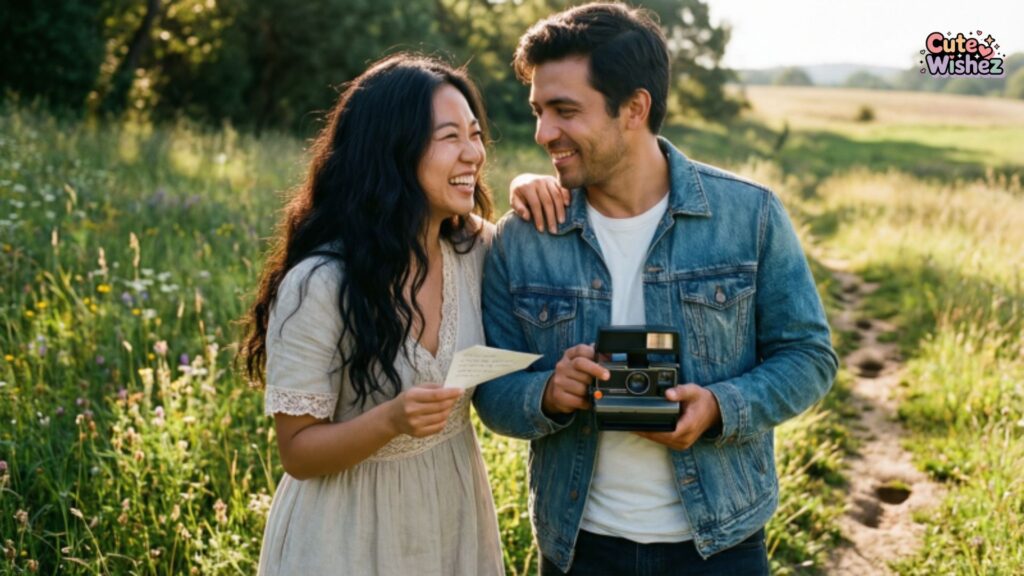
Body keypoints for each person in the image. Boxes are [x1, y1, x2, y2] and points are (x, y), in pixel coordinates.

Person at [474, 4, 839, 575]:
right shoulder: (520, 239)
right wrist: (547, 393)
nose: (544, 133)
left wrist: (720, 407)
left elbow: (810, 357)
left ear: (635, 108)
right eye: (539, 111)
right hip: (578, 547)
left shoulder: (750, 215)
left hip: (722, 543)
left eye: (565, 110)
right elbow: (493, 394)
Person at [240, 53, 560, 575]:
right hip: (345, 533)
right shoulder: (321, 283)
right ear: (392, 150)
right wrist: (390, 420)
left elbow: (528, 241)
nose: (473, 154)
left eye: (475, 135)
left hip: (451, 515)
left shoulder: (475, 250)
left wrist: (528, 181)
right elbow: (297, 451)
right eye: (449, 137)